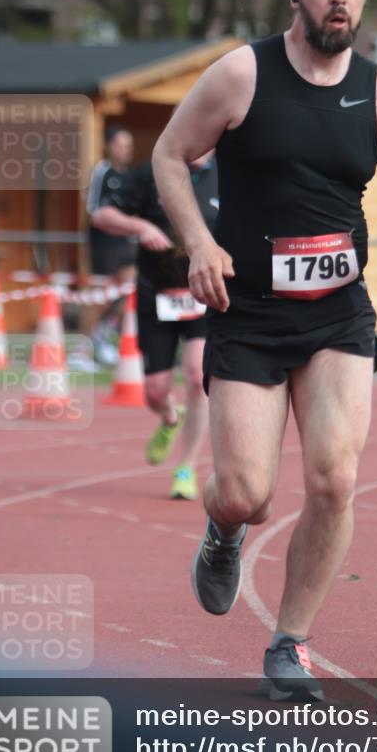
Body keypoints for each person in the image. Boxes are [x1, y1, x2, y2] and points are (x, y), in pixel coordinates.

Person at [152, 0, 377, 699]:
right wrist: (199, 242)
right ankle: (223, 532)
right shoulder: (242, 73)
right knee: (245, 491)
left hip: (337, 314)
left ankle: (289, 641)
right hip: (246, 311)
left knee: (335, 476)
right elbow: (169, 156)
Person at [90, 152, 219, 500]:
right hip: (156, 294)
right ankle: (168, 419)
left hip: (203, 294)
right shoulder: (153, 172)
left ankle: (185, 469)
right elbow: (101, 213)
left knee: (197, 376)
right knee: (155, 392)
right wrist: (140, 227)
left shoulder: (229, 172)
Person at [86, 127, 138, 366]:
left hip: (124, 241)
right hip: (104, 242)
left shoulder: (129, 176)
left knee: (130, 289)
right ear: (108, 146)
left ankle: (102, 335)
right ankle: (83, 348)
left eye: (128, 146)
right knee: (102, 295)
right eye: (120, 145)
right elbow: (92, 209)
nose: (125, 150)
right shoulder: (101, 171)